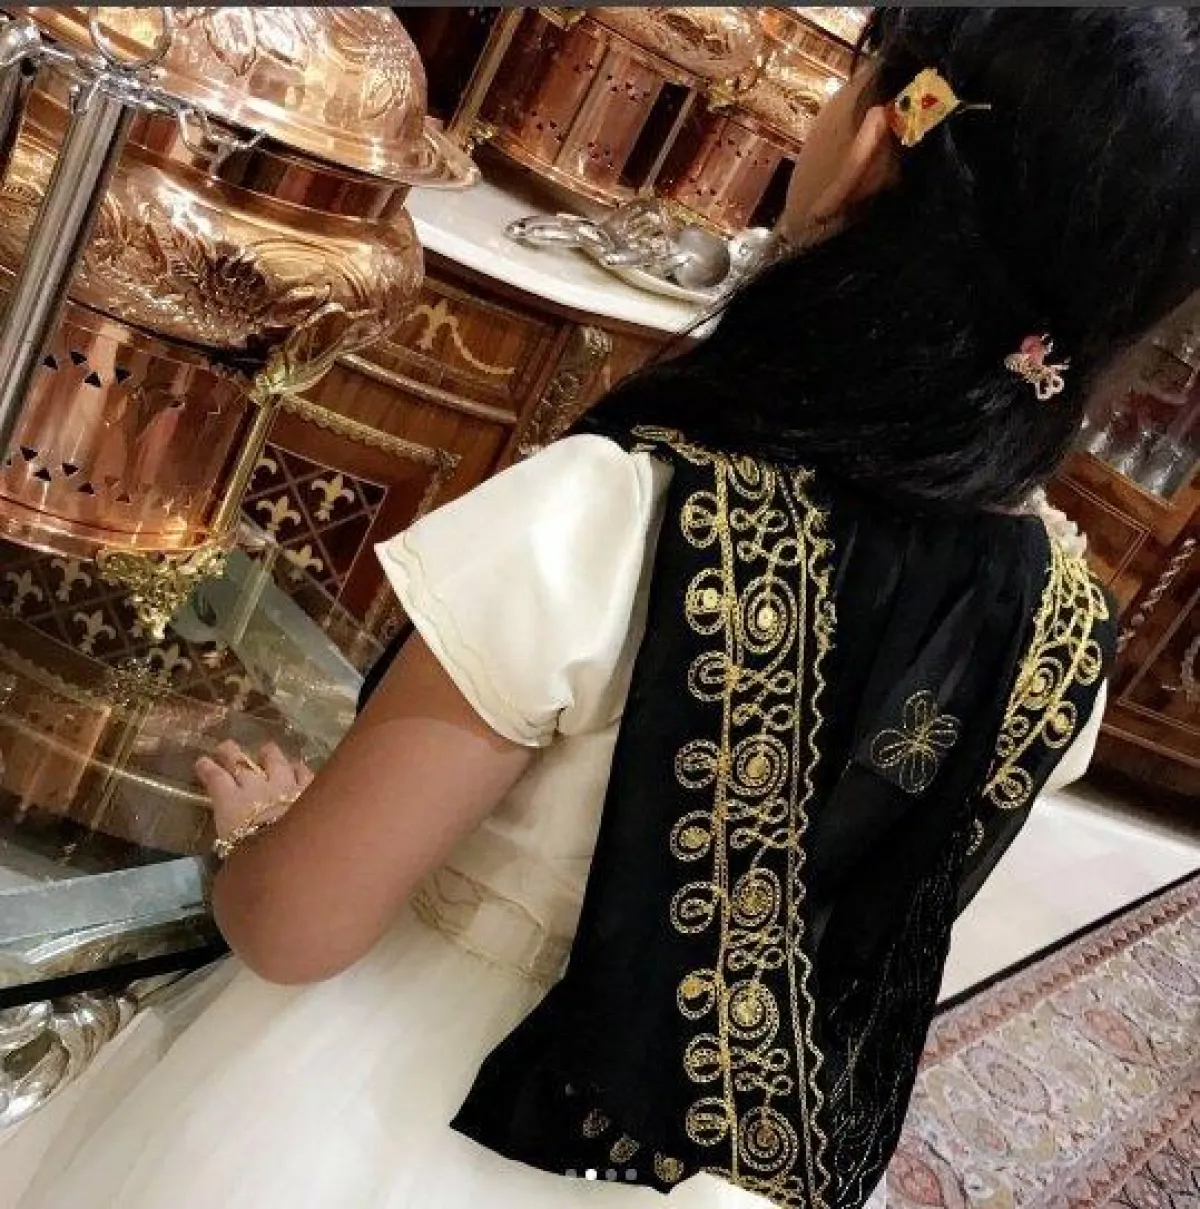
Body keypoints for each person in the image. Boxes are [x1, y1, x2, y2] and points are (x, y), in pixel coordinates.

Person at [18, 9, 1196, 1209]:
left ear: (873, 144)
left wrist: (260, 839)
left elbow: (296, 928)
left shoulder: (613, 517)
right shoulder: (1066, 633)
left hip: (379, 1101)